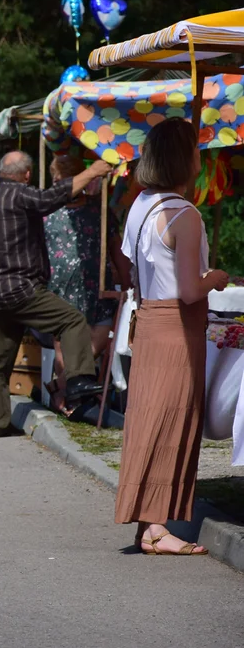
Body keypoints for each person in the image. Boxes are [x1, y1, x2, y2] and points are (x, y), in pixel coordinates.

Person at [116, 118, 226, 555]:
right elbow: (188, 289)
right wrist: (215, 277)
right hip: (177, 327)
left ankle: (148, 521)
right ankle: (157, 526)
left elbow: (133, 265)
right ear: (185, 159)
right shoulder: (185, 214)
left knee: (148, 419)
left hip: (147, 320)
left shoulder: (141, 205)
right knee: (173, 420)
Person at [0, 151, 113, 438]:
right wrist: (91, 172)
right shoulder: (20, 195)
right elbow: (51, 198)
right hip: (20, 287)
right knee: (71, 321)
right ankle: (79, 381)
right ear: (26, 175)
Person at [42, 153, 131, 414]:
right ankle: (68, 397)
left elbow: (117, 250)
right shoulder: (46, 211)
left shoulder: (100, 209)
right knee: (63, 343)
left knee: (99, 337)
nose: (63, 185)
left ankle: (60, 386)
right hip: (60, 287)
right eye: (58, 180)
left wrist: (127, 285)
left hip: (96, 286)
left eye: (67, 180)